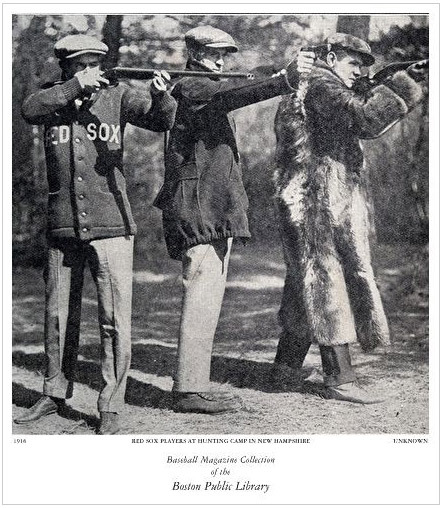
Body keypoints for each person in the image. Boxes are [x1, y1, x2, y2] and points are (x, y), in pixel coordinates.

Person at [14, 34, 177, 433]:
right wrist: (73, 89)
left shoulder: (119, 95)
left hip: (112, 225)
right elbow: (28, 110)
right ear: (66, 67)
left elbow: (160, 121)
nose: (88, 71)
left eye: (94, 64)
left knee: (114, 318)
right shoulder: (52, 97)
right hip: (62, 224)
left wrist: (161, 96)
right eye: (80, 64)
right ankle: (54, 393)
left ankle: (111, 405)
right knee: (56, 315)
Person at [154, 25, 315, 414]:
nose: (221, 61)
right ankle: (189, 388)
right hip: (198, 207)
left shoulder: (201, 85)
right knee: (201, 295)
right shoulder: (193, 87)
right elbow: (235, 94)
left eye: (225, 54)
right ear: (194, 53)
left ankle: (192, 384)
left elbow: (229, 94)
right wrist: (282, 80)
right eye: (214, 54)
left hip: (207, 207)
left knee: (206, 295)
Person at [273, 33, 426, 403]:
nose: (359, 72)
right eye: (353, 63)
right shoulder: (320, 82)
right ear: (330, 56)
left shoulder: (321, 83)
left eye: (364, 66)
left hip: (327, 193)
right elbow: (367, 119)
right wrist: (406, 86)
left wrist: (387, 79)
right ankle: (340, 377)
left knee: (304, 281)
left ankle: (285, 368)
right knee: (324, 278)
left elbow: (357, 112)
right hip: (312, 197)